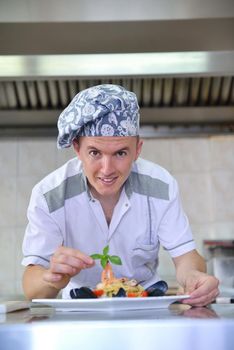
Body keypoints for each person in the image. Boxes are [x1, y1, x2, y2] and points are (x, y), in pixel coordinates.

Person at [22, 84, 219, 306]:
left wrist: (193, 277)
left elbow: (186, 257)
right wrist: (51, 279)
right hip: (78, 314)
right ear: (77, 148)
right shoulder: (49, 195)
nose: (107, 169)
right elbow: (31, 285)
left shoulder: (161, 186)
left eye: (120, 153)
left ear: (137, 149)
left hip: (145, 308)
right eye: (95, 152)